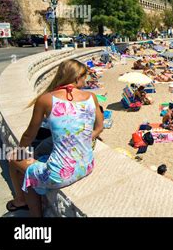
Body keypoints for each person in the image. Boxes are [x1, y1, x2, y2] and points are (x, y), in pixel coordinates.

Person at [6, 59, 103, 217]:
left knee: (14, 159)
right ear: (77, 77)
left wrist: (20, 151)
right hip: (87, 166)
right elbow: (99, 127)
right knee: (33, 165)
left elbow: (30, 134)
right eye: (84, 77)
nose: (85, 80)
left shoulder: (46, 99)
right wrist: (84, 138)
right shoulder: (92, 97)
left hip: (60, 175)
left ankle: (21, 201)